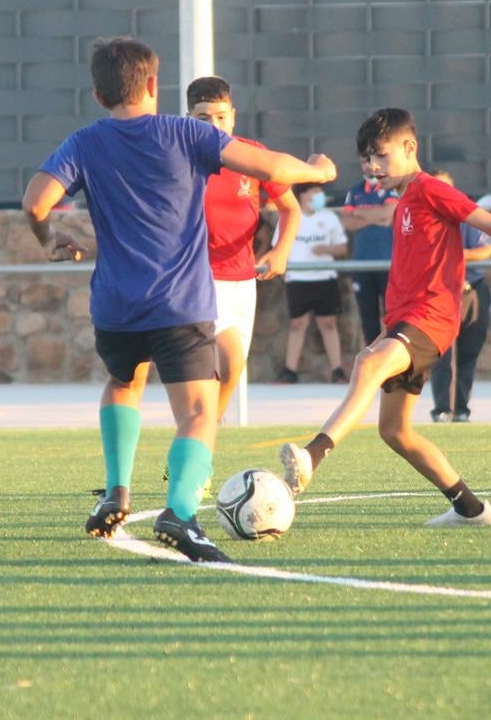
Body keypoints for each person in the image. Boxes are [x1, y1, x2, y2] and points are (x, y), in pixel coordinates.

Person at [21, 37, 335, 563]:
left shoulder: (84, 142)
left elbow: (35, 202)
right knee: (199, 410)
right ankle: (180, 513)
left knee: (122, 385)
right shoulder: (185, 132)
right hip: (179, 303)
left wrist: (48, 238)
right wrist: (317, 172)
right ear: (152, 85)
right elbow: (271, 169)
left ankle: (116, 493)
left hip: (115, 305)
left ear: (98, 95)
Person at [278, 108, 491, 527]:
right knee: (395, 431)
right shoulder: (403, 200)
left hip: (431, 318)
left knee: (367, 364)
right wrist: (389, 328)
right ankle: (472, 509)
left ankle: (313, 455)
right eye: (367, 158)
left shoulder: (429, 189)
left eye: (381, 155)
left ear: (410, 147)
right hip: (406, 321)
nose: (373, 166)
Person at [187, 76, 302, 418]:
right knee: (231, 361)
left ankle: (201, 433)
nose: (214, 125)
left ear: (233, 116)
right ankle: (204, 429)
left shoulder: (252, 156)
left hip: (243, 279)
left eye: (221, 117)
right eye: (203, 118)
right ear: (188, 118)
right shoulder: (181, 159)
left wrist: (281, 250)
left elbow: (290, 209)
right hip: (200, 278)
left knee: (229, 374)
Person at [427, 170, 491, 423]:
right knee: (441, 354)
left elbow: (485, 250)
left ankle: (461, 409)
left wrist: (456, 254)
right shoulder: (423, 219)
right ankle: (443, 408)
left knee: (468, 352)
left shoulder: (467, 215)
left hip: (471, 289)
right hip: (439, 293)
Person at [274, 183, 349, 385]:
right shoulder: (289, 217)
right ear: (303, 195)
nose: (319, 196)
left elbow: (342, 248)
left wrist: (326, 249)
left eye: (320, 192)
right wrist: (284, 273)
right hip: (297, 279)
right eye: (314, 192)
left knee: (329, 323)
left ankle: (337, 370)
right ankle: (289, 370)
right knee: (297, 324)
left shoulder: (329, 217)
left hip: (325, 277)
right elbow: (277, 248)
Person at [340, 161, 398, 345]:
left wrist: (359, 213)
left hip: (388, 264)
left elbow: (388, 214)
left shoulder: (390, 188)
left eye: (372, 160)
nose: (370, 166)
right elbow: (347, 223)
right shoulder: (354, 191)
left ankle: (392, 359)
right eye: (365, 161)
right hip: (361, 265)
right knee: (368, 321)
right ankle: (373, 360)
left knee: (393, 318)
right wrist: (376, 216)